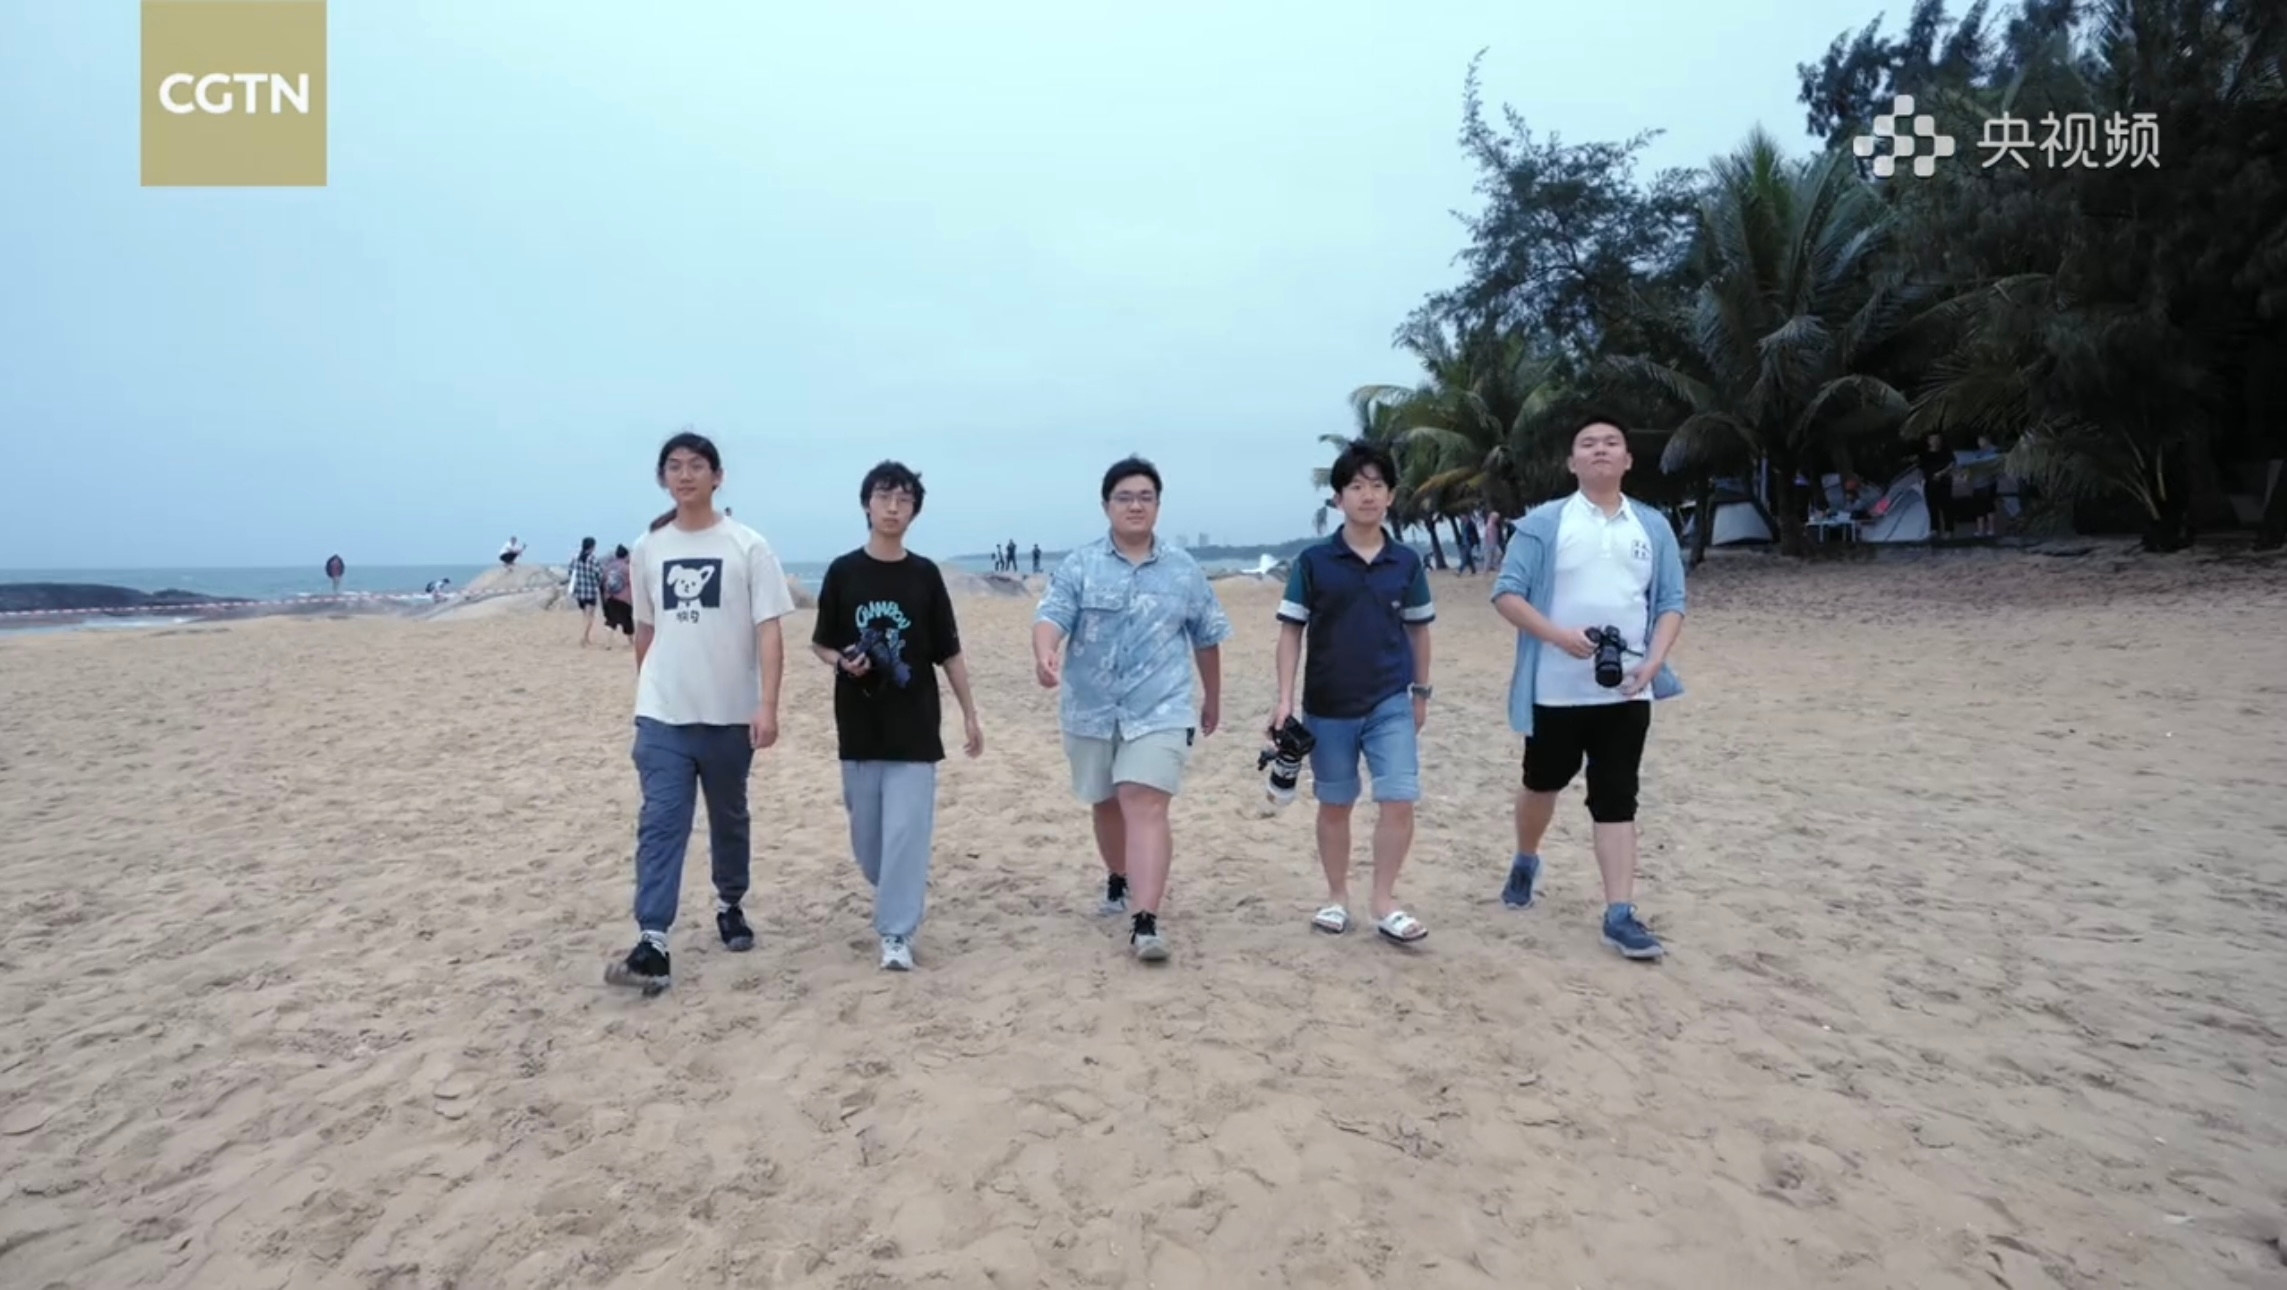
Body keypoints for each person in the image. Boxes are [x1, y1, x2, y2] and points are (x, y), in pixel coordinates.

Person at [605, 431, 796, 995]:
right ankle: (653, 941)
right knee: (661, 822)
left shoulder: (747, 546)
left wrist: (767, 705)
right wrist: (649, 692)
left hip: (730, 715)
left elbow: (769, 630)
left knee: (728, 816)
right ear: (662, 478)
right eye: (674, 466)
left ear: (717, 476)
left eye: (696, 465)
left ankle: (730, 903)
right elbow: (645, 630)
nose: (685, 475)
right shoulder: (648, 548)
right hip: (663, 714)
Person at [1490, 414, 1686, 961]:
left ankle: (1619, 913)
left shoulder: (1652, 526)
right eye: (1588, 444)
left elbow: (1671, 602)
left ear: (1628, 459)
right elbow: (1506, 593)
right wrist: (1558, 636)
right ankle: (1526, 858)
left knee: (1617, 798)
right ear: (1571, 462)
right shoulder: (1543, 524)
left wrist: (1654, 661)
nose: (1600, 450)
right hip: (1554, 690)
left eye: (1612, 443)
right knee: (1541, 783)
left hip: (1626, 691)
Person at [1033, 456, 1231, 962]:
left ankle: (1146, 921)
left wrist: (1212, 697)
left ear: (1158, 505)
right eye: (1124, 497)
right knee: (1105, 802)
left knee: (1143, 800)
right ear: (1107, 506)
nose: (1135, 505)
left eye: (1145, 497)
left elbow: (1207, 637)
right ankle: (1119, 876)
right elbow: (1052, 615)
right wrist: (1045, 651)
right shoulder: (1080, 564)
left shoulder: (1183, 569)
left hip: (1161, 708)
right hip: (1091, 710)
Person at [809, 461, 984, 971]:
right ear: (867, 504)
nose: (893, 507)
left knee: (906, 833)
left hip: (915, 726)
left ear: (914, 511)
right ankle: (894, 892)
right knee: (870, 845)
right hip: (859, 726)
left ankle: (896, 934)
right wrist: (841, 661)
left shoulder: (925, 575)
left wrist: (970, 714)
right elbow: (821, 643)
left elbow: (949, 652)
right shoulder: (843, 571)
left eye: (904, 499)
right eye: (884, 496)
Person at [1270, 438, 1436, 945]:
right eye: (1356, 486)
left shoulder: (1406, 562)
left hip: (1390, 698)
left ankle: (1384, 901)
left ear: (1391, 496)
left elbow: (1419, 631)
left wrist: (1421, 693)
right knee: (1336, 804)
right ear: (1338, 498)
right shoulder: (1314, 561)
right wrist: (1284, 700)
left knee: (1399, 798)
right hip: (1327, 702)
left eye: (1377, 486)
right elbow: (1291, 632)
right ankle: (1337, 897)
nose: (1368, 495)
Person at [568, 536, 603, 646]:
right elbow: (599, 574)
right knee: (590, 616)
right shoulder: (593, 559)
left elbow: (570, 572)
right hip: (590, 591)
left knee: (585, 615)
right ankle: (583, 637)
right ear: (592, 547)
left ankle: (586, 637)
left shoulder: (575, 558)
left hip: (579, 592)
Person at [599, 543, 634, 647]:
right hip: (624, 599)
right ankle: (630, 642)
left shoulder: (609, 567)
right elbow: (632, 583)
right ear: (626, 556)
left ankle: (608, 643)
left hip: (610, 597)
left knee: (610, 621)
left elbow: (602, 582)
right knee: (627, 621)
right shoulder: (627, 568)